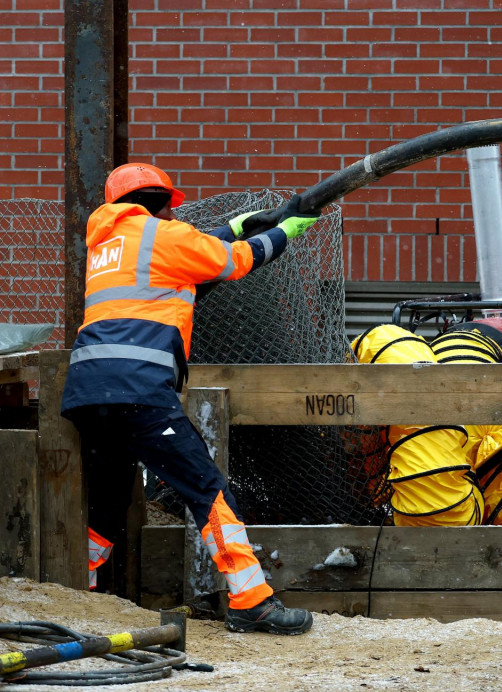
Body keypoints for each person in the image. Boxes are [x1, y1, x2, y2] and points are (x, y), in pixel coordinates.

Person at [62, 162, 318, 635]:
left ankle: (82, 588)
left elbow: (191, 264)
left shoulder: (108, 245)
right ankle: (252, 600)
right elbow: (237, 260)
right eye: (170, 209)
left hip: (87, 393)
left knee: (107, 499)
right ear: (159, 203)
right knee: (207, 489)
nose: (175, 218)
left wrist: (238, 225)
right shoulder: (163, 236)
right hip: (138, 390)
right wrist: (286, 231)